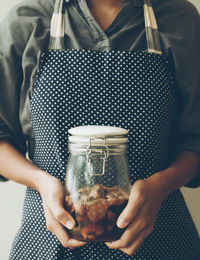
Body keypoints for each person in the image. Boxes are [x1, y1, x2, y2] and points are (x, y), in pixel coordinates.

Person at [0, 0, 200, 259]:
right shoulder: (29, 20)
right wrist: (41, 182)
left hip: (160, 241)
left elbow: (194, 141)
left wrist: (161, 185)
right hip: (49, 242)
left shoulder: (179, 19)